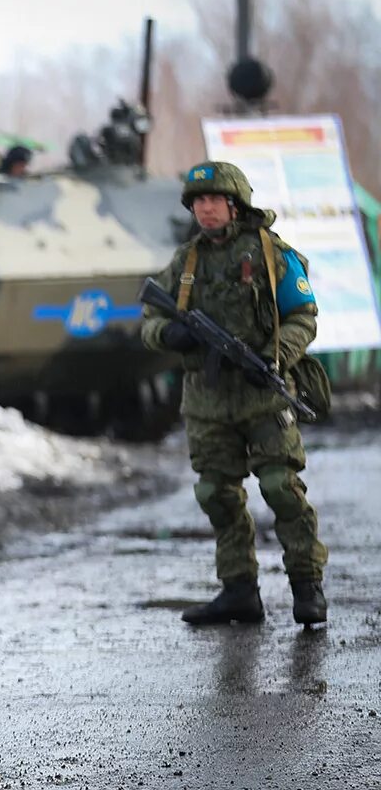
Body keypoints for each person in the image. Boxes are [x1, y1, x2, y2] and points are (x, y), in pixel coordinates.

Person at [141, 161, 327, 626]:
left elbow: (303, 314)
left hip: (263, 394)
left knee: (280, 488)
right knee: (216, 494)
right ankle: (239, 590)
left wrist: (275, 355)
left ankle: (307, 587)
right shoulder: (186, 262)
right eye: (198, 202)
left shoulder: (271, 254)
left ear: (235, 204)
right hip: (207, 399)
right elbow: (149, 321)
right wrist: (170, 336)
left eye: (214, 201)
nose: (205, 210)